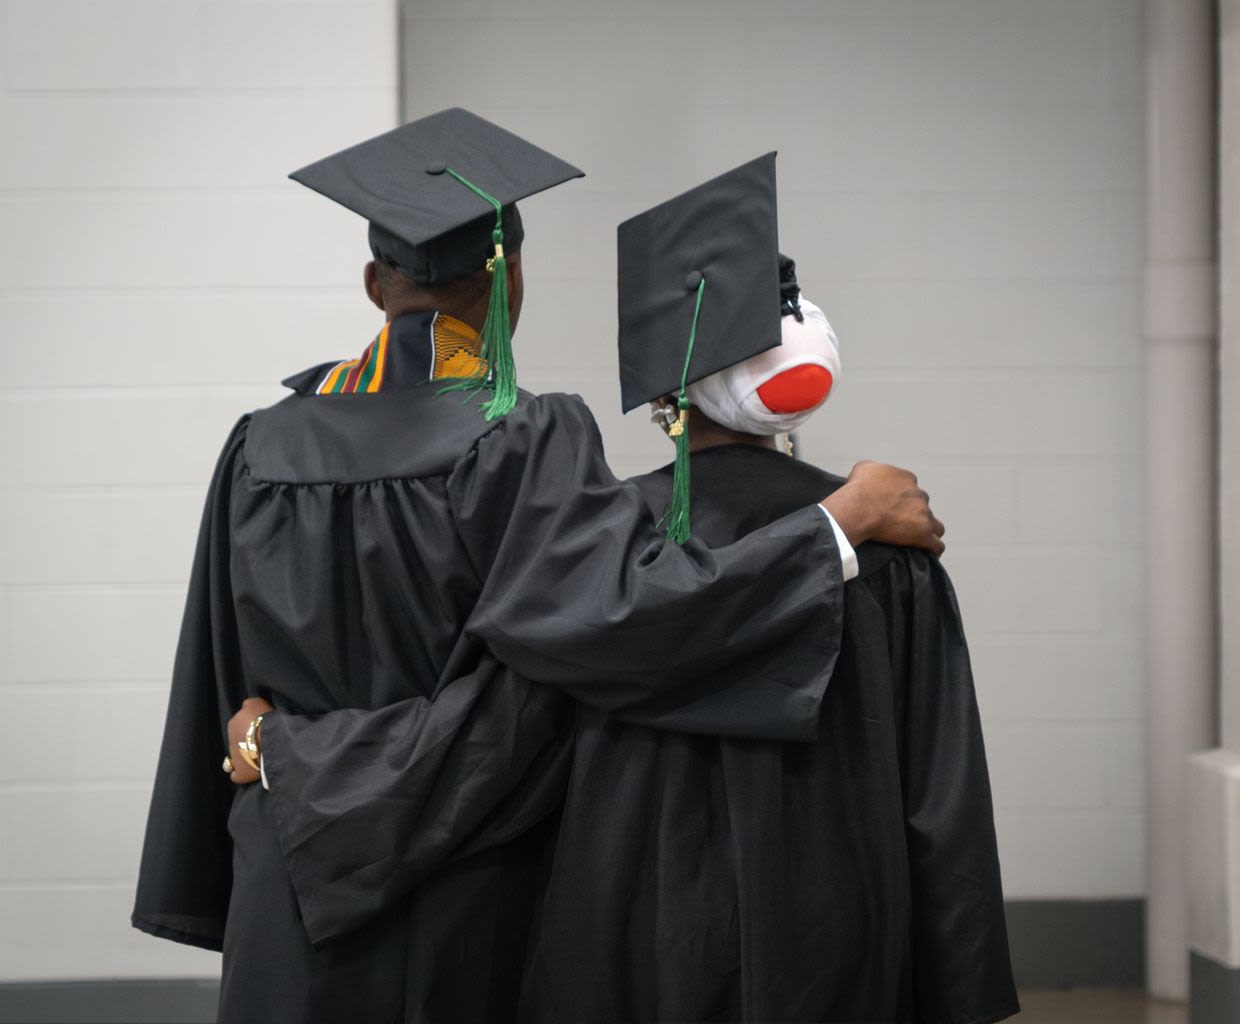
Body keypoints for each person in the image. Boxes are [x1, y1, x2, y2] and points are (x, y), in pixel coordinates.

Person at [133, 110, 943, 1024]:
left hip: (289, 874)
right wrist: (839, 521)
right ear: (509, 276)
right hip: (466, 875)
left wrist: (270, 751)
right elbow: (630, 621)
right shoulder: (521, 435)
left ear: (373, 284)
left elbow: (224, 677)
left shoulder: (260, 448)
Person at [516, 155, 1019, 1022]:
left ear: (671, 393)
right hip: (835, 921)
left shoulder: (606, 543)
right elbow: (941, 796)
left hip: (631, 917)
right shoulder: (889, 544)